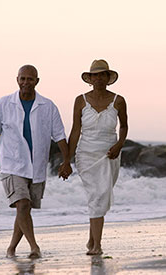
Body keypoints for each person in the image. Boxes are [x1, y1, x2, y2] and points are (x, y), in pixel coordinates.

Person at [0, 65, 72, 259]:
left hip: (36, 165)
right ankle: (34, 247)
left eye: (30, 79)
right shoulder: (3, 103)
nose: (26, 82)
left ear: (37, 81)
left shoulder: (48, 106)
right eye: (23, 78)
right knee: (23, 204)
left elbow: (59, 135)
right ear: (17, 80)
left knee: (23, 208)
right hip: (12, 164)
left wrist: (66, 161)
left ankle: (11, 248)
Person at [68, 59, 128, 255]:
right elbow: (75, 131)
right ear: (90, 78)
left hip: (109, 155)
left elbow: (124, 126)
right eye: (95, 75)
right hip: (85, 155)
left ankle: (92, 238)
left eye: (102, 74)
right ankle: (97, 245)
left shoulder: (118, 100)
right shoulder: (80, 100)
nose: (99, 78)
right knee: (97, 196)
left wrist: (119, 145)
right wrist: (66, 160)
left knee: (100, 196)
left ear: (108, 77)